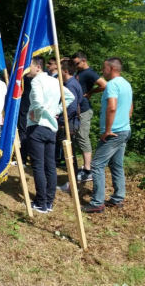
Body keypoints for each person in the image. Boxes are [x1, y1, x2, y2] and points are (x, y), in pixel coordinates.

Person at [82, 57, 133, 214]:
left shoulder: (112, 84)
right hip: (124, 130)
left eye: (104, 68)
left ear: (111, 68)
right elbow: (131, 106)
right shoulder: (126, 84)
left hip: (113, 132)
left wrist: (108, 130)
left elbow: (112, 107)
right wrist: (125, 122)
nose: (102, 71)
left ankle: (97, 202)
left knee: (97, 165)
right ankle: (117, 199)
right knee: (116, 165)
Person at [26, 57, 74, 214]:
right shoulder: (54, 81)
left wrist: (37, 114)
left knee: (39, 166)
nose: (26, 69)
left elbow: (38, 102)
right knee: (50, 165)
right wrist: (56, 111)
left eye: (29, 66)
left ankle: (41, 202)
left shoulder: (37, 81)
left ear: (38, 67)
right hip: (51, 129)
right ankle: (49, 202)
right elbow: (70, 97)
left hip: (38, 127)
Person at [72, 52, 107, 183]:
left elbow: (104, 84)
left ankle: (88, 170)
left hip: (84, 110)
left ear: (83, 61)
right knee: (79, 138)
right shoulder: (80, 72)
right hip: (78, 109)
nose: (75, 66)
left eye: (76, 63)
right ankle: (85, 168)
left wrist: (90, 92)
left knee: (83, 137)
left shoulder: (89, 73)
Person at [56, 60, 83, 193]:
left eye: (60, 69)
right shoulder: (73, 83)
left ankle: (72, 184)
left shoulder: (70, 85)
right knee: (70, 153)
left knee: (69, 154)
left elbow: (72, 106)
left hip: (68, 124)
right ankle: (72, 182)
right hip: (71, 122)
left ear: (65, 71)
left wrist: (60, 118)